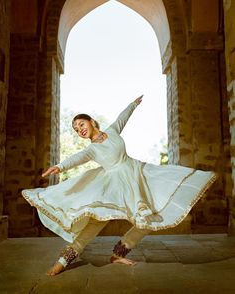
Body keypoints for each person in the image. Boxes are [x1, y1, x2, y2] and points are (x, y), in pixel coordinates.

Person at [22, 95, 218, 276]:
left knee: (149, 218)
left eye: (81, 124)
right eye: (76, 129)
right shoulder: (92, 149)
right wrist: (59, 166)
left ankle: (119, 252)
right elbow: (76, 158)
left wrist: (133, 104)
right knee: (95, 222)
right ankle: (64, 260)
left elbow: (122, 117)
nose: (79, 129)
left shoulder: (112, 131)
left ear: (91, 121)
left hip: (136, 174)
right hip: (112, 184)